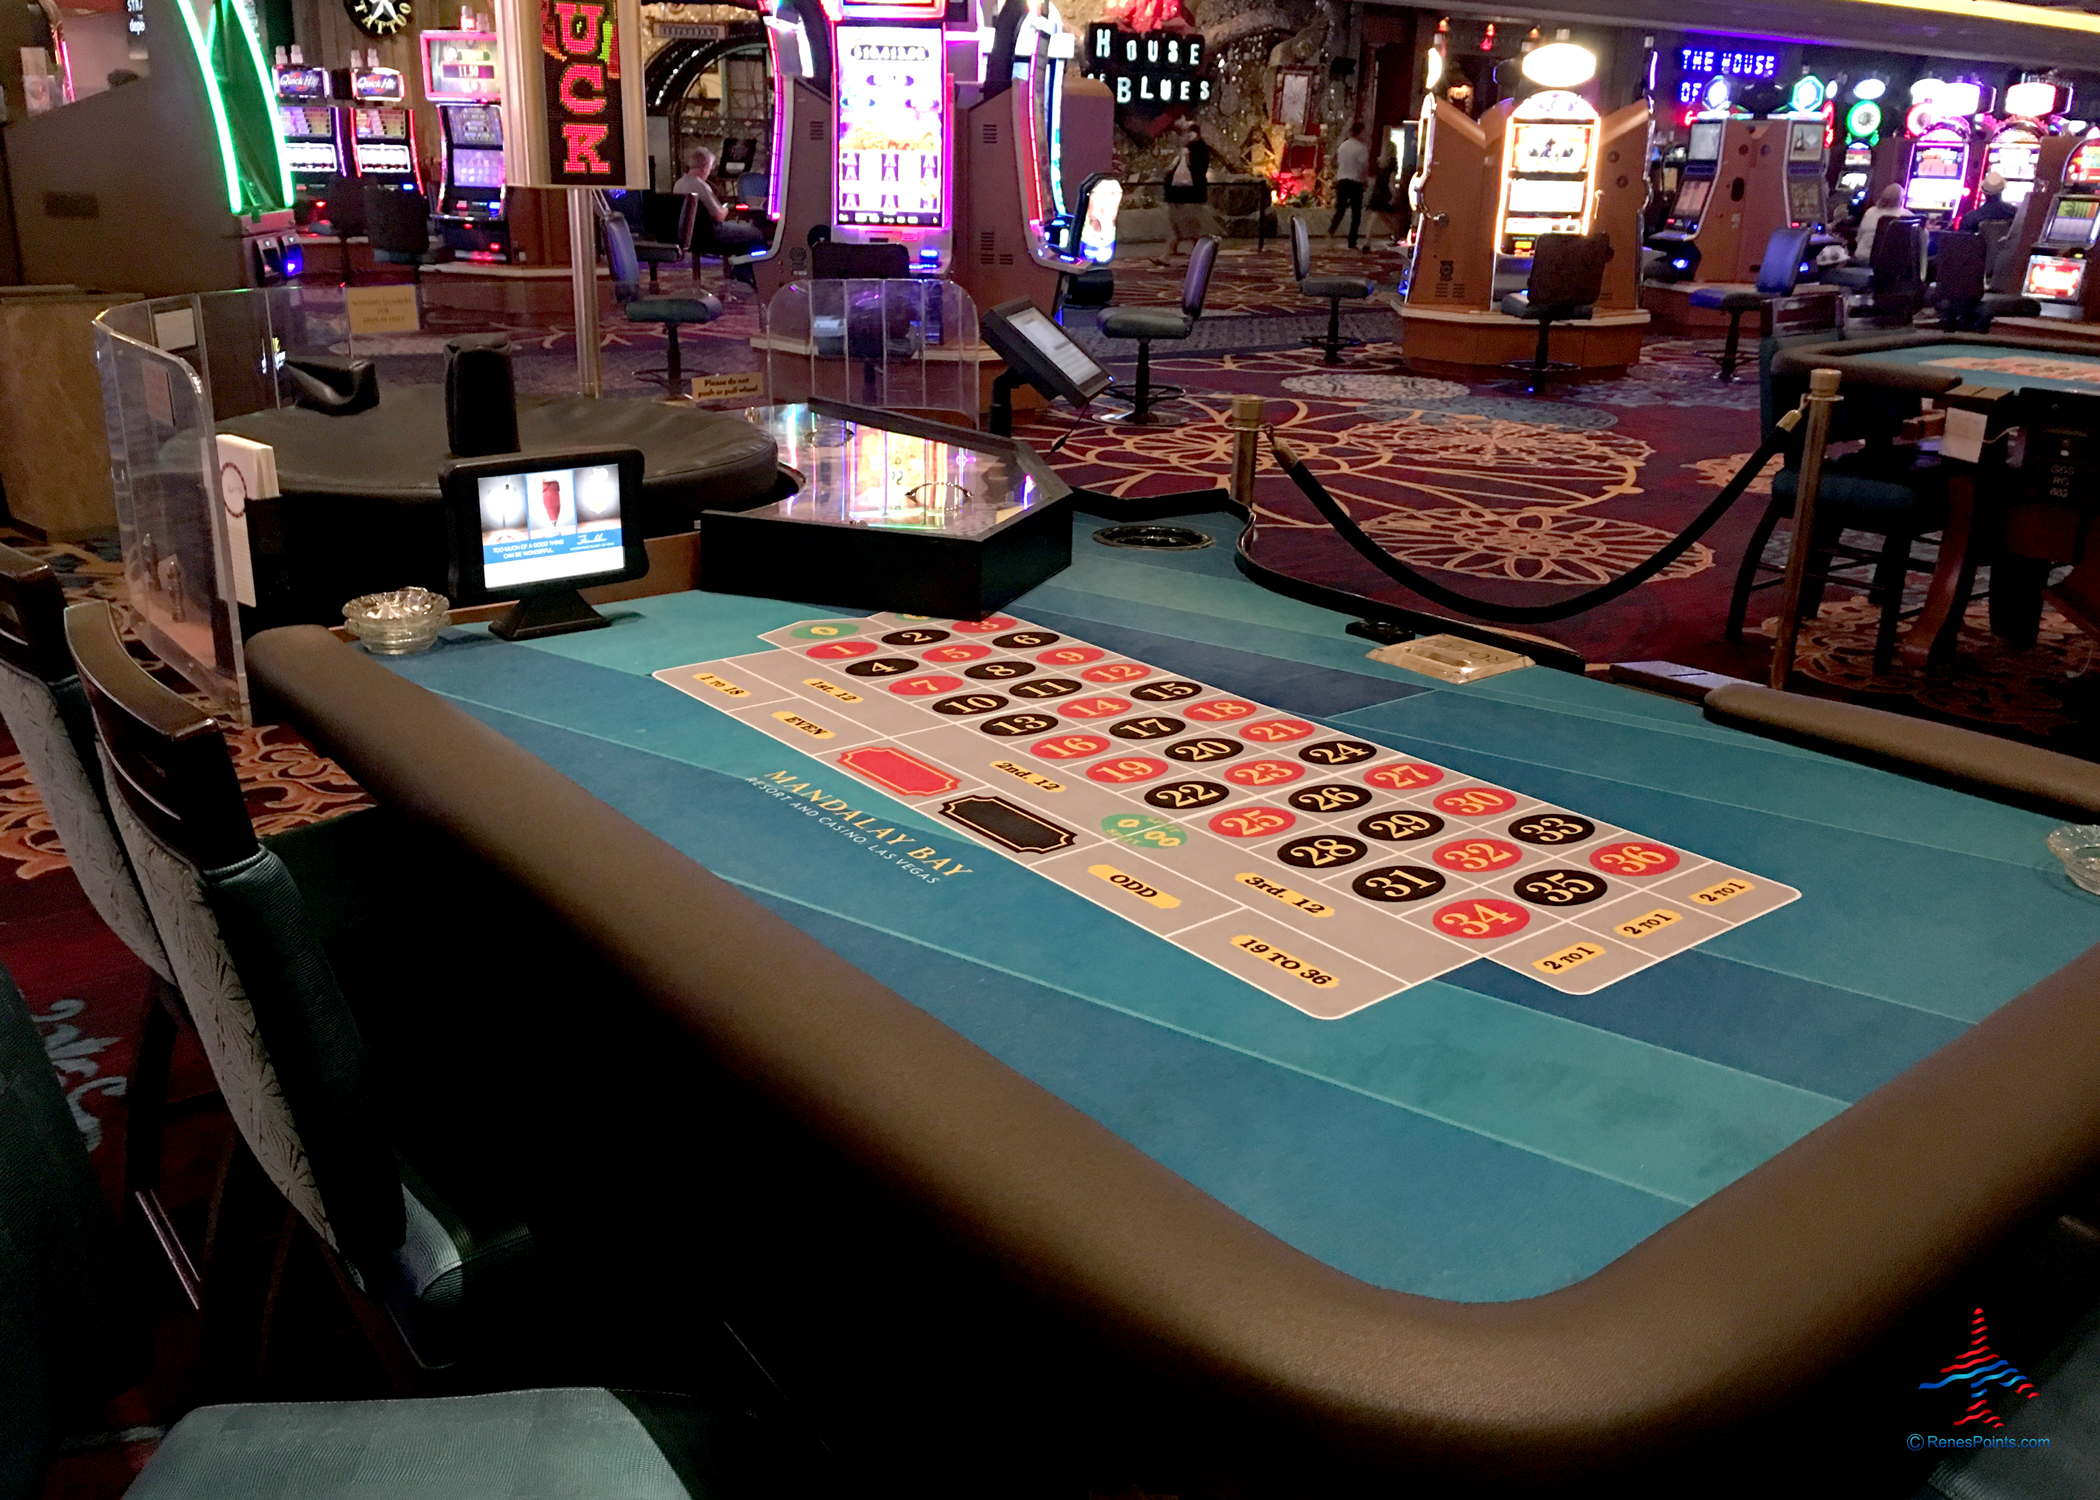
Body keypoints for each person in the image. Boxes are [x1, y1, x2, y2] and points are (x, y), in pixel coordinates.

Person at [673, 146, 765, 256]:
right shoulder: (701, 186)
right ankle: (749, 270)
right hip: (710, 236)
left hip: (688, 237)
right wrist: (725, 209)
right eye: (711, 166)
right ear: (705, 167)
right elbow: (718, 216)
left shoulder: (678, 183)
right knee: (755, 233)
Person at [1159, 122, 1210, 265]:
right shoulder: (1185, 150)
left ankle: (1199, 258)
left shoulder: (1199, 149)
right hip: (1178, 195)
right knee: (1176, 228)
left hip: (1190, 196)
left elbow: (1197, 170)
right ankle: (1167, 255)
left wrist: (1188, 158)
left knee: (1192, 229)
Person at [1330, 121, 1371, 249]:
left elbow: (1338, 163)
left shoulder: (1342, 146)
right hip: (1355, 182)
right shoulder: (1362, 148)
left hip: (1342, 180)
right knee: (1356, 213)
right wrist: (1365, 180)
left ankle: (1332, 229)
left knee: (1340, 208)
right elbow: (1363, 167)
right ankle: (1352, 240)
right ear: (1360, 132)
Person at [1853, 182, 1910, 264]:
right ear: (1900, 199)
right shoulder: (1905, 215)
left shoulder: (1870, 211)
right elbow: (1920, 241)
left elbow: (1858, 239)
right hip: (1891, 264)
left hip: (1863, 259)